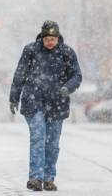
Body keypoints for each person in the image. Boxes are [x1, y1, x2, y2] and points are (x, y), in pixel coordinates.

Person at [9, 20, 82, 191]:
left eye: (53, 39)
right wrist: (14, 98)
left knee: (52, 143)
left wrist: (67, 88)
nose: (50, 42)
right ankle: (35, 177)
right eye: (47, 38)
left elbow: (77, 76)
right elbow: (20, 75)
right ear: (41, 37)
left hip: (57, 102)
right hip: (33, 101)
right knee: (38, 137)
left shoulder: (67, 53)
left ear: (58, 38)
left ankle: (49, 178)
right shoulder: (30, 51)